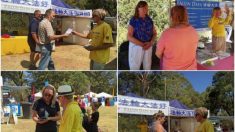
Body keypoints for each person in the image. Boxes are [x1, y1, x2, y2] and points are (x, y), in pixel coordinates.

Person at [156, 5, 198, 70]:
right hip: (191, 69)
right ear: (186, 15)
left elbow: (158, 54)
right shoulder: (193, 31)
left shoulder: (167, 33)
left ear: (172, 17)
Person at [127, 1, 156, 70]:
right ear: (138, 8)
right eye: (143, 8)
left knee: (147, 67)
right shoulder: (133, 20)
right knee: (134, 68)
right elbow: (129, 36)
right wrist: (142, 44)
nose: (145, 9)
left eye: (146, 8)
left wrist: (151, 42)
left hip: (148, 45)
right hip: (136, 46)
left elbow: (154, 33)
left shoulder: (149, 20)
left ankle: (146, 80)